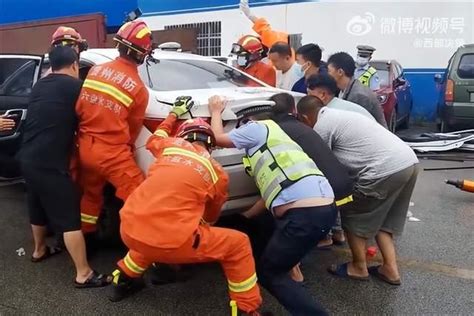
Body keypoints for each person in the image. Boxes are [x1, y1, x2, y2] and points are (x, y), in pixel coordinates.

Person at [109, 97, 263, 316]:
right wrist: (198, 224)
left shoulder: (168, 147)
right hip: (175, 242)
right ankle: (247, 309)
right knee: (239, 244)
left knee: (151, 227)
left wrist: (174, 113)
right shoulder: (216, 171)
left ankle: (122, 280)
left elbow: (157, 135)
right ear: (211, 144)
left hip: (129, 229)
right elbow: (212, 214)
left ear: (182, 136)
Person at [209, 95, 336, 315]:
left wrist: (216, 112)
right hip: (321, 209)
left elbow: (218, 138)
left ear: (248, 120)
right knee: (277, 259)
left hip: (304, 215)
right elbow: (273, 194)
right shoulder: (276, 139)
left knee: (270, 272)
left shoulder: (257, 127)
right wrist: (244, 218)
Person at [16, 46, 109, 288]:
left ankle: (39, 250)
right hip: (50, 163)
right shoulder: (76, 87)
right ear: (75, 66)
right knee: (69, 219)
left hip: (27, 158)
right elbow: (93, 116)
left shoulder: (39, 86)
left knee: (36, 205)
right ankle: (84, 273)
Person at [300, 101, 419, 286]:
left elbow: (318, 163)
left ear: (305, 118)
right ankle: (390, 269)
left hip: (383, 170)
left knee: (354, 214)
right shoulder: (340, 115)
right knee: (384, 221)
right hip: (408, 162)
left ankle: (358, 267)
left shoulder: (322, 126)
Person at [75, 20, 152, 234]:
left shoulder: (95, 71)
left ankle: (87, 238)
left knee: (91, 195)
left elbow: (80, 107)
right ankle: (144, 246)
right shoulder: (138, 89)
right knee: (140, 197)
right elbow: (133, 131)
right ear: (143, 54)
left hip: (85, 147)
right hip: (111, 154)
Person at [327, 52, 387, 128]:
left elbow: (358, 128)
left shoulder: (359, 96)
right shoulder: (344, 89)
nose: (327, 74)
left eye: (329, 71)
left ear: (340, 72)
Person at [306, 74, 374, 119]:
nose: (307, 97)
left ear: (323, 95)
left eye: (309, 94)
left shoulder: (331, 114)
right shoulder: (339, 104)